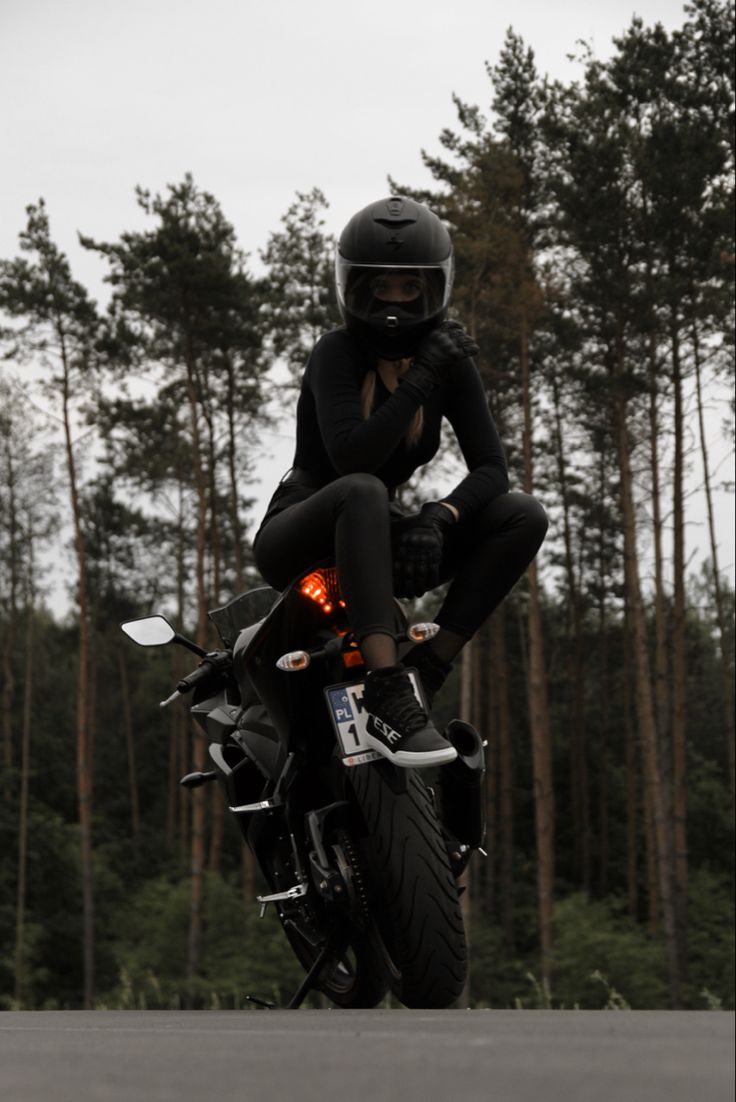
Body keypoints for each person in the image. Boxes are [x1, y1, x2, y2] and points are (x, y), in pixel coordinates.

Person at [253, 196, 547, 768]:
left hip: (374, 533)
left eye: (408, 288)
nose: (393, 302)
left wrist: (441, 518)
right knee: (362, 488)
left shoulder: (450, 362)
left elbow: (492, 469)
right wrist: (422, 378)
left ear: (432, 288)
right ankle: (389, 690)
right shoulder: (335, 353)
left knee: (523, 513)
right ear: (356, 288)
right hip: (303, 529)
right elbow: (350, 456)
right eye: (380, 287)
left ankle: (427, 671)